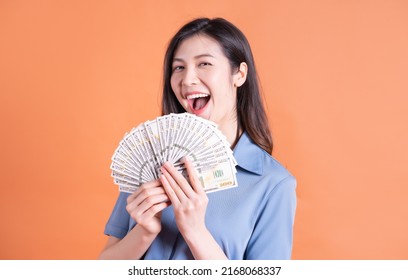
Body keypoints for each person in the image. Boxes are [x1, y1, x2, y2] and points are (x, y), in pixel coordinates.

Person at [99, 17, 297, 260]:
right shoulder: (149, 160)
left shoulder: (273, 185)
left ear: (239, 74)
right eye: (178, 67)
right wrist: (144, 232)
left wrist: (196, 232)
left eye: (204, 63)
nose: (187, 79)